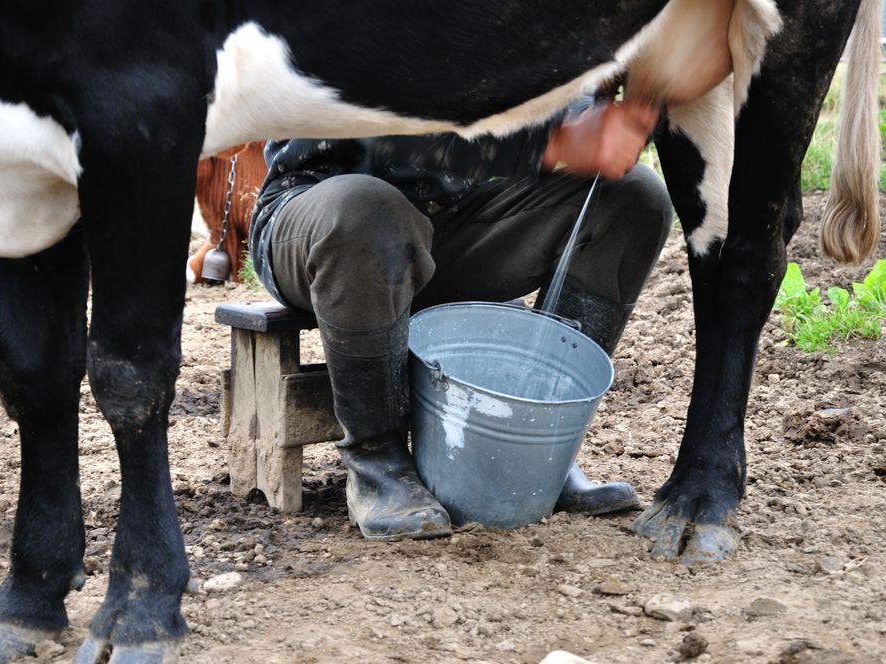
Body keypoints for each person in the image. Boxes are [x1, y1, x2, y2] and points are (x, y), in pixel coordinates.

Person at [248, 97, 673, 541]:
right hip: (322, 216)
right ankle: (378, 461)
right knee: (369, 208)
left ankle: (540, 453)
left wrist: (603, 118)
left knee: (633, 196)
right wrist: (552, 139)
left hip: (450, 218)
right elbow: (380, 135)